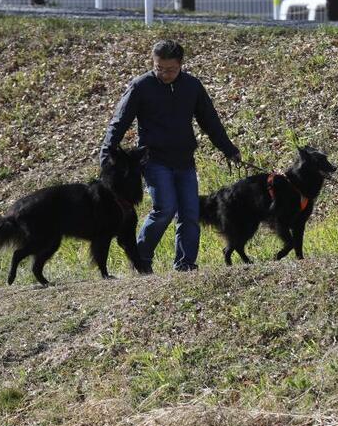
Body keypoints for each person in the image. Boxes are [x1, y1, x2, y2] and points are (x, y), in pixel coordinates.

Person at [100, 39, 240, 273]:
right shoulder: (140, 86)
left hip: (184, 160)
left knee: (190, 213)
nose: (164, 74)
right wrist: (106, 156)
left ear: (181, 65)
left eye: (171, 69)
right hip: (154, 160)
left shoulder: (192, 86)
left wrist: (229, 149)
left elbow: (210, 121)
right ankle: (141, 260)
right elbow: (118, 122)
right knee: (165, 208)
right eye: (159, 68)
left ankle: (185, 264)